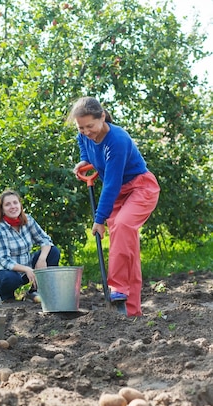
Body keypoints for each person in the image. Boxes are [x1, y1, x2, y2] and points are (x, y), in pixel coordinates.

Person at [69, 96, 160, 317]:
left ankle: (117, 287)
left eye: (90, 126)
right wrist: (84, 160)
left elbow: (110, 183)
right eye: (81, 127)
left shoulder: (117, 140)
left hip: (140, 188)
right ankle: (132, 311)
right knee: (129, 250)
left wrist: (99, 220)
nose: (86, 131)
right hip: (119, 196)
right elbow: (84, 143)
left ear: (102, 117)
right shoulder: (84, 134)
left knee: (121, 225)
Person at [0, 189, 61, 303]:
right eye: (8, 204)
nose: (13, 207)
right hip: (3, 271)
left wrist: (41, 260)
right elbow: (4, 260)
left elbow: (45, 240)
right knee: (10, 278)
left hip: (26, 268)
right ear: (2, 209)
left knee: (53, 252)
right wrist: (26, 269)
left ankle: (35, 291)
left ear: (20, 205)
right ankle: (4, 297)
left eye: (15, 203)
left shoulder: (27, 220)